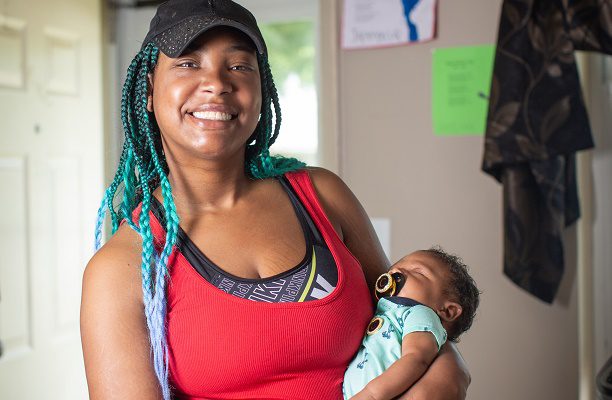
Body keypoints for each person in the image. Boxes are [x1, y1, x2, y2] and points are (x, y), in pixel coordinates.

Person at [80, 1, 471, 399]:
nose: (216, 82)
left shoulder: (322, 196)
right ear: (148, 90)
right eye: (188, 63)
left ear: (261, 90)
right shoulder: (120, 270)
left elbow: (403, 316)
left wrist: (446, 374)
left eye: (239, 66)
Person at [343, 247, 480, 400]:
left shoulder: (419, 313)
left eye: (418, 272)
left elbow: (415, 358)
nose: (396, 270)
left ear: (448, 311)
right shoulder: (386, 311)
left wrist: (371, 395)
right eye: (394, 266)